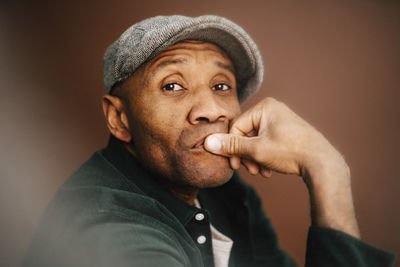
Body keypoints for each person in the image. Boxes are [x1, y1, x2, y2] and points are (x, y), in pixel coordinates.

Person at [23, 15, 396, 267]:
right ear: (119, 119)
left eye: (221, 86)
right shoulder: (113, 237)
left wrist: (326, 167)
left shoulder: (224, 193)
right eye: (172, 86)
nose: (211, 110)